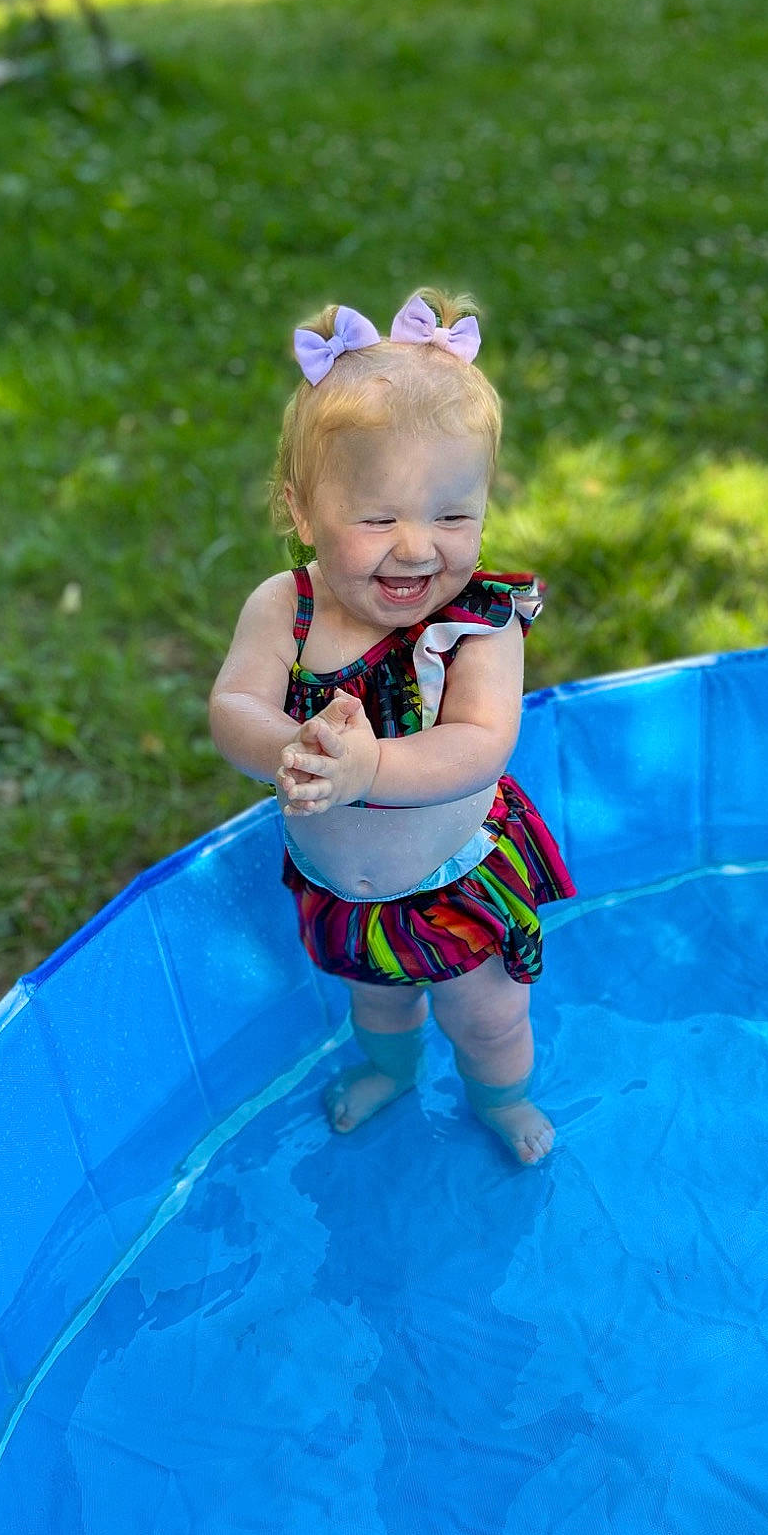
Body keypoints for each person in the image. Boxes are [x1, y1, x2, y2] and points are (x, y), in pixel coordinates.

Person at [209, 289, 575, 1165]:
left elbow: (481, 743)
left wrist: (367, 771)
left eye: (453, 517)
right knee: (376, 1001)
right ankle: (390, 1069)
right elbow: (234, 709)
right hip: (346, 887)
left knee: (486, 1015)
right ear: (302, 513)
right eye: (378, 520)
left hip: (453, 876)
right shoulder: (285, 608)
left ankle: (503, 1098)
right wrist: (287, 747)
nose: (418, 549)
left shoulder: (477, 623)